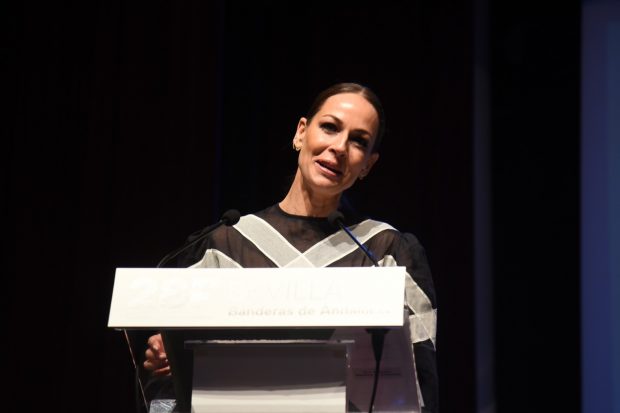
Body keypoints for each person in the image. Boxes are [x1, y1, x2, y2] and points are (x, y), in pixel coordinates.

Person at [142, 82, 439, 412]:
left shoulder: (387, 253)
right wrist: (165, 360)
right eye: (329, 127)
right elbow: (168, 386)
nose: (339, 147)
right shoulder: (223, 244)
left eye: (358, 141)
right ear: (301, 133)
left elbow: (420, 388)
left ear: (367, 164)